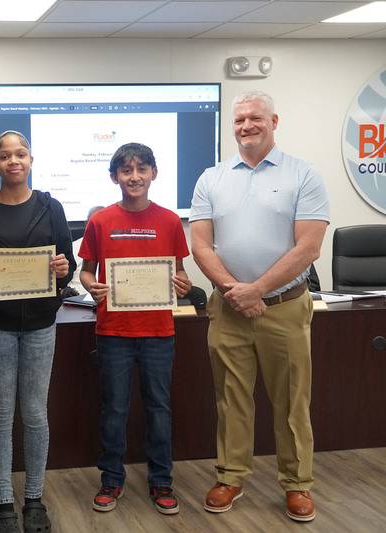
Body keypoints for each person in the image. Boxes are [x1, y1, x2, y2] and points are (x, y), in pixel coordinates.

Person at [189, 90, 330, 522]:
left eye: (255, 118)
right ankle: (231, 476)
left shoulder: (303, 174)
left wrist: (258, 290)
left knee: (291, 402)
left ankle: (297, 484)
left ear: (273, 121)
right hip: (228, 309)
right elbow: (200, 246)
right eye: (239, 120)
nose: (246, 126)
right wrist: (237, 291)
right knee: (231, 399)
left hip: (285, 307)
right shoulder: (211, 178)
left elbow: (308, 247)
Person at [0, 131, 75, 533]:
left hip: (42, 325)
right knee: (0, 414)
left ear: (30, 160)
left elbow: (69, 264)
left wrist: (63, 271)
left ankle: (34, 499)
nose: (14, 161)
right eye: (5, 156)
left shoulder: (50, 206)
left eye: (21, 154)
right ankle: (4, 504)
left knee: (35, 413)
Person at [79, 142, 192, 516]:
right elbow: (87, 270)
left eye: (142, 169)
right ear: (114, 177)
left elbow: (180, 272)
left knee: (159, 409)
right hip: (113, 331)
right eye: (126, 171)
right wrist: (90, 286)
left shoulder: (171, 221)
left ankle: (161, 482)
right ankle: (111, 480)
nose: (134, 177)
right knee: (114, 409)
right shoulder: (100, 221)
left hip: (159, 331)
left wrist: (182, 284)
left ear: (154, 174)